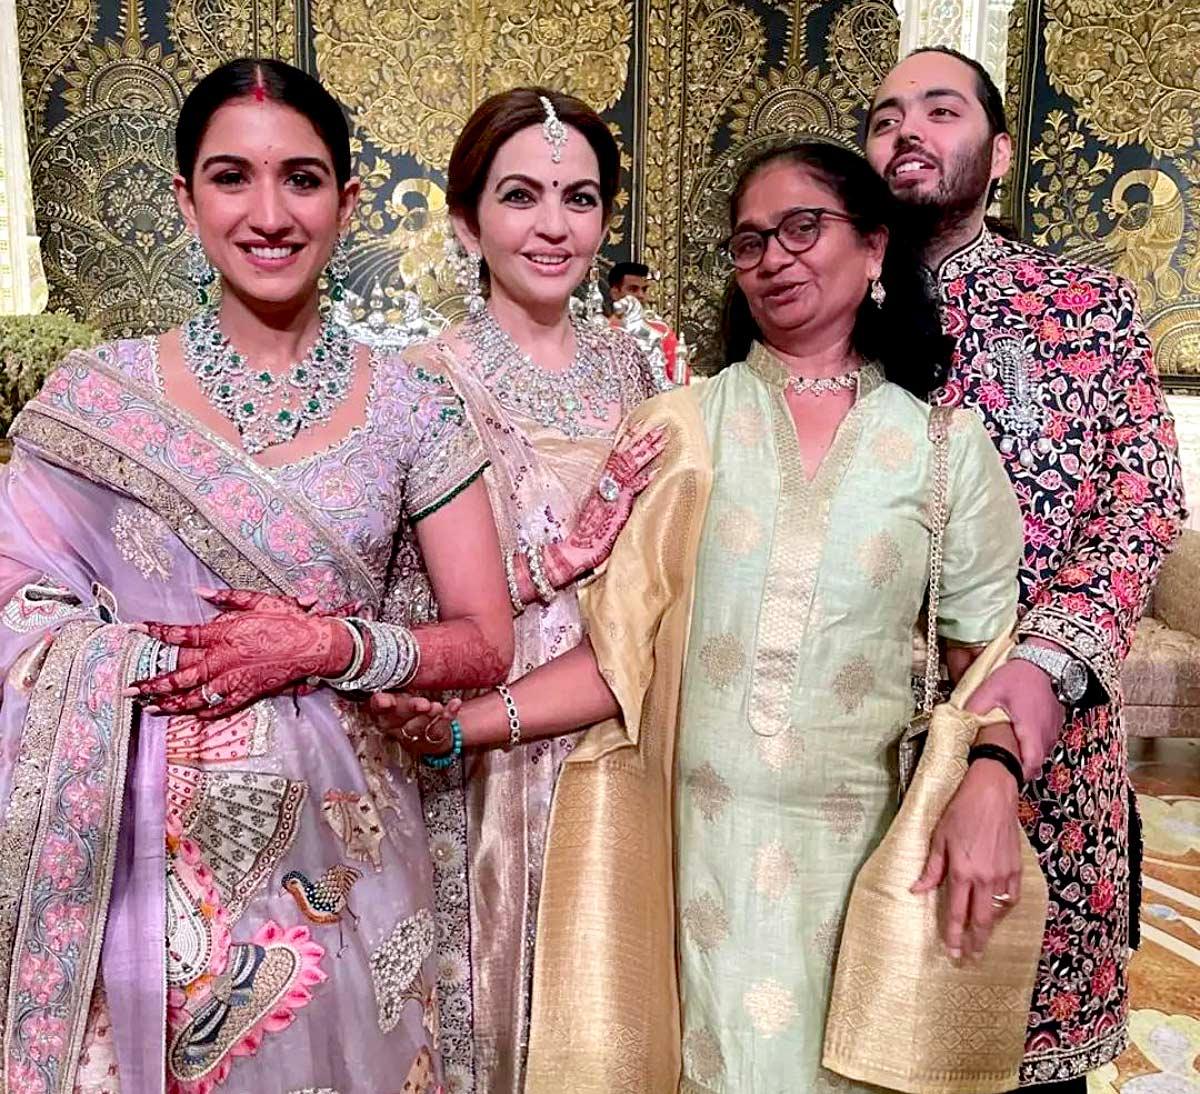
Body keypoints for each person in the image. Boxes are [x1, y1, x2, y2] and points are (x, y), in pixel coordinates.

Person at [387, 139, 1029, 1091]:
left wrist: (995, 775)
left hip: (863, 855)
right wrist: (457, 730)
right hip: (690, 858)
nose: (776, 257)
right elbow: (619, 656)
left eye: (804, 228)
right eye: (750, 241)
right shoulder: (681, 425)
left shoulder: (944, 447)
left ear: (874, 247)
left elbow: (987, 660)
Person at [0, 57, 525, 1093]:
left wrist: (327, 643)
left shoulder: (414, 408)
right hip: (135, 878)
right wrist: (141, 660)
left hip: (347, 866)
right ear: (184, 197)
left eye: (303, 177)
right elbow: (15, 606)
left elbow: (485, 637)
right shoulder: (94, 399)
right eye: (232, 177)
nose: (269, 211)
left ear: (346, 198)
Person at [865, 47, 1186, 1092]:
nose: (906, 130)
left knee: (1016, 1059)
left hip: (1045, 772)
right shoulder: (825, 311)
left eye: (940, 110)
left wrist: (1026, 696)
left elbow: (1138, 508)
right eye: (885, 118)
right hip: (853, 765)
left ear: (998, 152)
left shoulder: (1083, 304)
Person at [372, 88, 661, 1094]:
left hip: (624, 719)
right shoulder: (419, 380)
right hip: (479, 744)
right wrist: (561, 556)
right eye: (521, 196)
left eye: (579, 198)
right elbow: (398, 601)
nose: (553, 226)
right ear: (467, 220)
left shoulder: (645, 372)